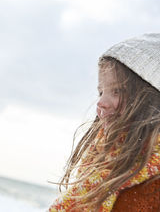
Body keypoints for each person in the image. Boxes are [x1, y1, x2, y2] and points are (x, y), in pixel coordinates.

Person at [49, 33, 160, 212]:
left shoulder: (152, 184)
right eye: (101, 92)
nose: (101, 102)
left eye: (117, 91)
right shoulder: (100, 162)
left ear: (151, 99)